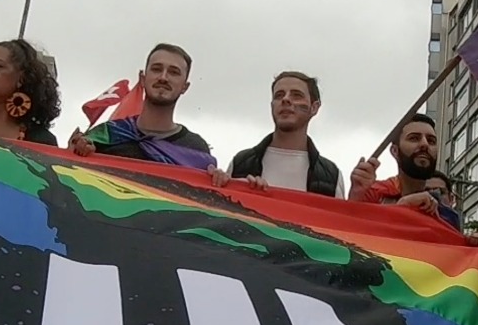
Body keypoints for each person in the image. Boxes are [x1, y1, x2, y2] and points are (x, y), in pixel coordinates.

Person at [69, 43, 213, 164]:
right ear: (143, 79)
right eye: (156, 69)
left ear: (185, 87)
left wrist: (219, 181)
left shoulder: (196, 150)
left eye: (174, 72)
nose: (163, 78)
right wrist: (75, 154)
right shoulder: (104, 135)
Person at [211, 71, 344, 197]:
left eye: (296, 95)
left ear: (314, 107)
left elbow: (337, 214)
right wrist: (216, 183)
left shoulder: (331, 175)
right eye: (279, 95)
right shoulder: (241, 163)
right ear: (272, 105)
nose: (285, 99)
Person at [347, 113, 444, 210]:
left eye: (431, 141)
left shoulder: (443, 209)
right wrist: (356, 194)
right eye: (414, 138)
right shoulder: (373, 193)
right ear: (395, 151)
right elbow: (351, 217)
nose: (425, 144)